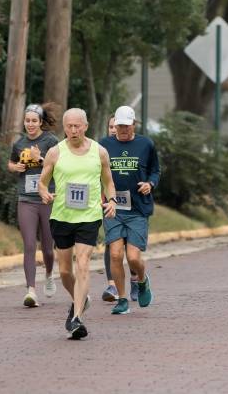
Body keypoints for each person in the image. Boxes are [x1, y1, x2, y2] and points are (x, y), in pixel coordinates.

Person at [37, 108, 117, 339]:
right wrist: (44, 193)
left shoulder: (99, 152)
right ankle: (81, 298)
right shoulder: (55, 152)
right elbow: (43, 182)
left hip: (89, 216)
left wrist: (111, 200)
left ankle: (77, 317)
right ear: (64, 127)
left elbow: (108, 182)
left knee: (82, 264)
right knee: (64, 271)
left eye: (77, 126)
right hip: (61, 216)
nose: (73, 130)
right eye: (69, 126)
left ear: (86, 126)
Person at [100, 106, 160, 315]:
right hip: (113, 207)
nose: (122, 130)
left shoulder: (146, 144)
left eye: (126, 126)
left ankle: (142, 281)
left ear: (134, 125)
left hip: (137, 209)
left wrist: (150, 184)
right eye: (119, 126)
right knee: (115, 255)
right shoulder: (104, 145)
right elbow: (95, 171)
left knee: (133, 258)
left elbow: (155, 170)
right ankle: (122, 299)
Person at [7, 103, 59, 307]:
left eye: (34, 121)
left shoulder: (51, 141)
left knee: (47, 248)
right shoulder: (19, 143)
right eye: (27, 121)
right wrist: (15, 166)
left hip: (46, 199)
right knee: (29, 245)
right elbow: (10, 163)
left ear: (40, 122)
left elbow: (60, 165)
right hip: (26, 198)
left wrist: (41, 158)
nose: (30, 124)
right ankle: (31, 291)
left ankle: (48, 275)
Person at [101, 115, 139, 303]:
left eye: (117, 126)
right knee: (112, 244)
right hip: (109, 202)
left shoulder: (133, 147)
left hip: (132, 203)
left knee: (129, 245)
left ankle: (134, 279)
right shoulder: (102, 148)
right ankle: (112, 284)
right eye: (111, 127)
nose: (114, 130)